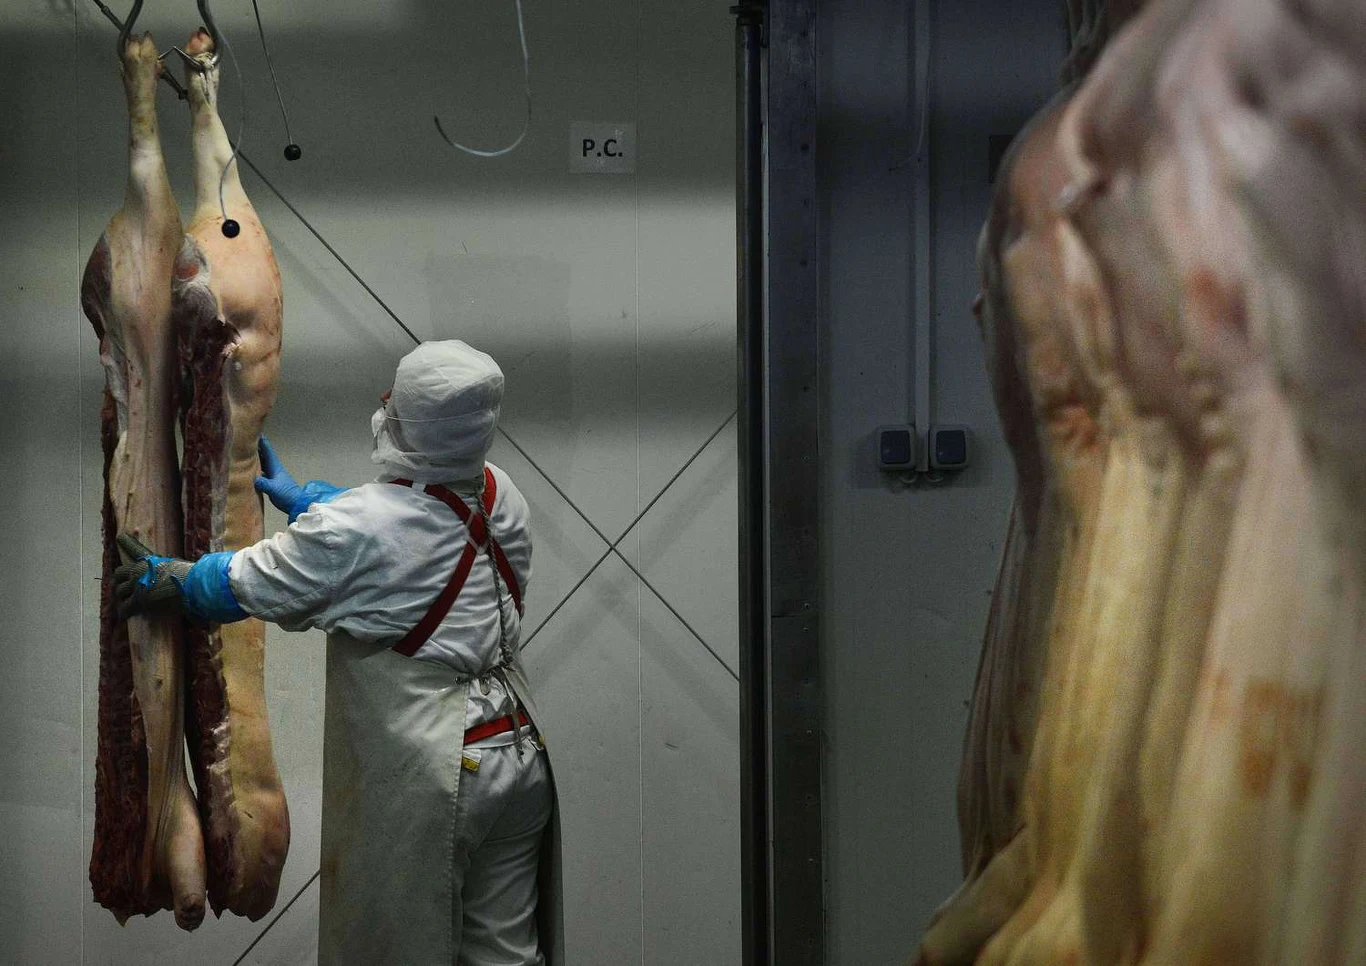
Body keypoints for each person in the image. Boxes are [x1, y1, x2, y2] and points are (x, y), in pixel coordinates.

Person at [114, 339, 562, 966]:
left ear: (411, 420)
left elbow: (250, 582)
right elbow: (410, 533)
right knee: (504, 956)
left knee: (394, 953)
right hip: (518, 753)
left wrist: (174, 579)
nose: (383, 398)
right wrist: (316, 505)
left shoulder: (359, 528)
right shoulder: (500, 492)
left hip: (439, 777)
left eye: (397, 397)